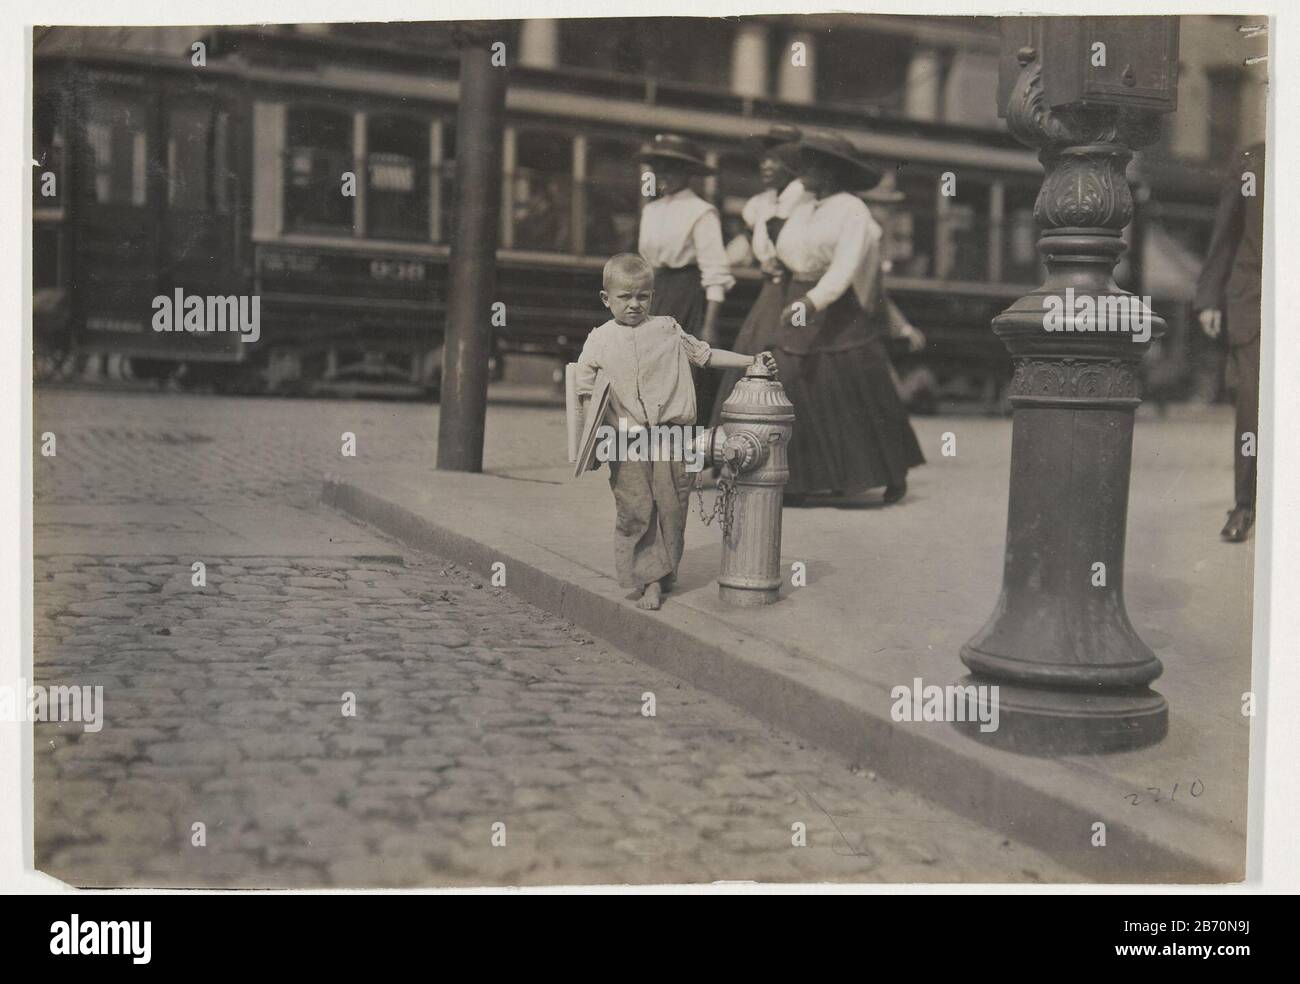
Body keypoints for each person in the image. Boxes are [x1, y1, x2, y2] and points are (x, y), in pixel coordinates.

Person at [575, 254, 775, 610]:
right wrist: (593, 438)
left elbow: (705, 355)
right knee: (635, 507)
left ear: (653, 296)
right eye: (625, 297)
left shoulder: (667, 329)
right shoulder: (599, 340)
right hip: (626, 439)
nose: (635, 304)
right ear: (607, 299)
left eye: (644, 296)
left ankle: (664, 571)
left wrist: (750, 361)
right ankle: (649, 577)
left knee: (672, 505)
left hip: (674, 436)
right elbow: (584, 392)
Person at [771, 131, 924, 504]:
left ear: (835, 172)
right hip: (798, 296)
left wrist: (813, 301)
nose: (804, 170)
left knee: (857, 385)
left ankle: (892, 471)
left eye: (814, 164)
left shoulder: (852, 210)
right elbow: (782, 244)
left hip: (834, 304)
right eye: (804, 162)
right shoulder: (802, 204)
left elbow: (845, 266)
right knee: (795, 383)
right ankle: (801, 480)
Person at [710, 124, 811, 426]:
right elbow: (747, 246)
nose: (766, 165)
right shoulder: (760, 204)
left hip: (797, 291)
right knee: (752, 355)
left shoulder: (805, 199)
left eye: (776, 159)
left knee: (783, 364)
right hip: (771, 291)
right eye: (764, 158)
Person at [636, 133, 735, 419]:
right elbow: (645, 261)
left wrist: (709, 324)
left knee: (682, 371)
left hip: (686, 296)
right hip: (655, 293)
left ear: (688, 172)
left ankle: (687, 447)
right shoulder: (651, 210)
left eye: (671, 168)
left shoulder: (702, 212)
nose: (662, 175)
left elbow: (715, 271)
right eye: (658, 167)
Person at [1195, 142, 1264, 543]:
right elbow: (1226, 233)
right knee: (1252, 408)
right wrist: (1209, 298)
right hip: (1254, 303)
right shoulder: (1252, 161)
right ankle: (1245, 505)